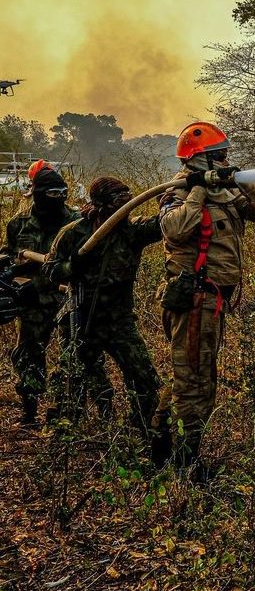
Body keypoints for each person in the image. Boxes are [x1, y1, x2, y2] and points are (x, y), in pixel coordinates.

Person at [158, 122, 255, 479]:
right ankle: (182, 463)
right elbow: (174, 229)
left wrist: (240, 181)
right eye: (219, 155)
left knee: (199, 375)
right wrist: (197, 191)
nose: (226, 159)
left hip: (213, 301)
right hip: (194, 298)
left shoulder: (227, 192)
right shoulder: (178, 194)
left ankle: (166, 445)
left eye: (226, 154)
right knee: (193, 381)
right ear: (199, 160)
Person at [44, 176, 168, 467]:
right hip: (81, 316)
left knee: (143, 376)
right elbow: (51, 271)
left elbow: (165, 224)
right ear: (98, 205)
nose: (123, 207)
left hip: (119, 320)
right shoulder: (75, 232)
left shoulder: (132, 230)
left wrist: (177, 196)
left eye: (127, 200)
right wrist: (72, 264)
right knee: (72, 376)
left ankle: (146, 432)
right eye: (116, 202)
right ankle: (63, 437)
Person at [5, 161, 80, 426]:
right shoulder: (19, 224)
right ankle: (29, 413)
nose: (56, 201)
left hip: (68, 303)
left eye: (61, 194)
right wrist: (13, 278)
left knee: (71, 358)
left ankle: (63, 414)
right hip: (31, 305)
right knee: (28, 356)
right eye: (51, 195)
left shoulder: (77, 223)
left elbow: (82, 265)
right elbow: (7, 257)